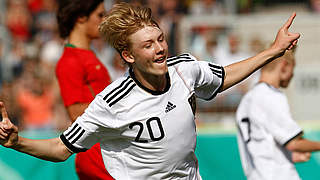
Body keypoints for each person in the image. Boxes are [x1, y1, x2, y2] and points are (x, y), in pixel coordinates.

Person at [0, 2, 299, 179]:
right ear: (128, 56)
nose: (159, 49)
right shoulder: (111, 103)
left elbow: (223, 77)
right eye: (148, 45)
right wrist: (16, 142)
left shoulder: (184, 68)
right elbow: (60, 148)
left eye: (160, 39)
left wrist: (272, 51)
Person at [236, 47, 320, 180]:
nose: (293, 74)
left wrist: (288, 155)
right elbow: (294, 143)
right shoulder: (271, 96)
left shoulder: (246, 100)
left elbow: (261, 146)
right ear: (285, 66)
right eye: (293, 67)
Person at [55, 0, 113, 179]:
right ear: (81, 17)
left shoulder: (87, 54)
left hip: (108, 150)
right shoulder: (70, 61)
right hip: (96, 156)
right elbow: (75, 112)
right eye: (100, 15)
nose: (104, 20)